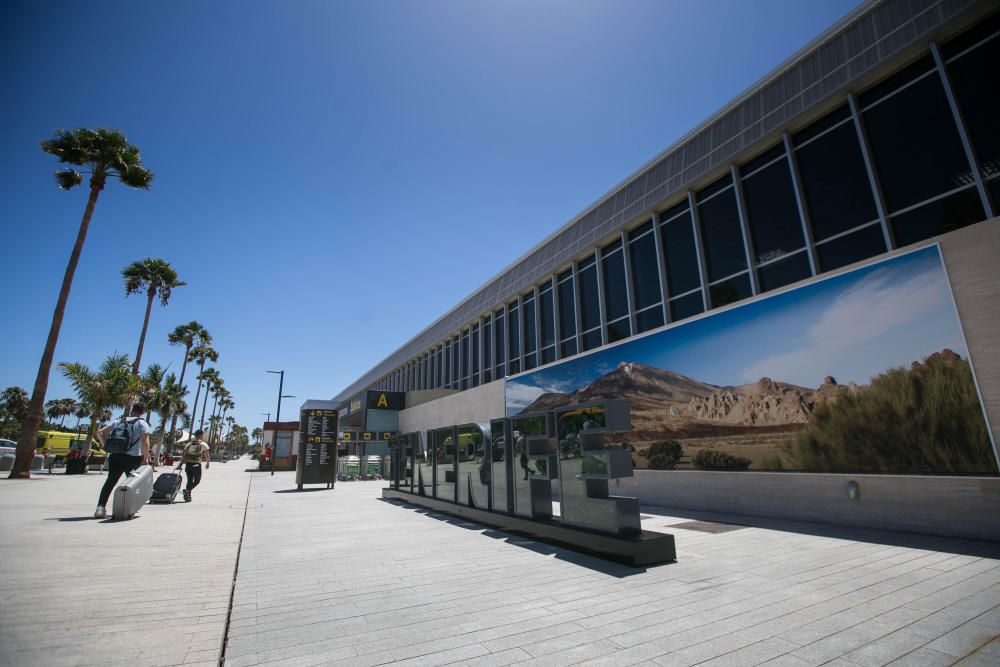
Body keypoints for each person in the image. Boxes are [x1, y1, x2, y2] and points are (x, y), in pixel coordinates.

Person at [94, 403, 151, 519]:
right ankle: (129, 508)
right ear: (142, 412)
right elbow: (144, 442)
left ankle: (100, 508)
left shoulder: (119, 421)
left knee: (110, 482)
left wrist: (106, 446)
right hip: (133, 457)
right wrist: (145, 458)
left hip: (115, 456)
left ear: (132, 410)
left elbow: (99, 432)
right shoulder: (142, 423)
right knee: (133, 484)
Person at [176, 429, 210, 502]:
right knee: (197, 480)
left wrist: (180, 464)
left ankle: (188, 496)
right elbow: (207, 454)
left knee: (189, 480)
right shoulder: (203, 444)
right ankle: (187, 491)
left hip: (188, 464)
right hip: (196, 464)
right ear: (200, 435)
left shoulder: (189, 444)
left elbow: (184, 455)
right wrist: (207, 463)